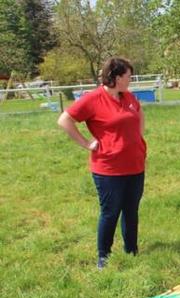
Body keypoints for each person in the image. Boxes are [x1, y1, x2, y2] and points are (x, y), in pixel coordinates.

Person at [57, 57, 147, 269]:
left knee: (131, 210)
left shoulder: (129, 96)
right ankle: (103, 256)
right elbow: (64, 120)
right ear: (115, 77)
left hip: (135, 164)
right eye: (128, 76)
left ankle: (131, 250)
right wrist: (87, 143)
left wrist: (136, 138)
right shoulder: (93, 99)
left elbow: (139, 114)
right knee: (111, 211)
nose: (130, 80)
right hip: (109, 169)